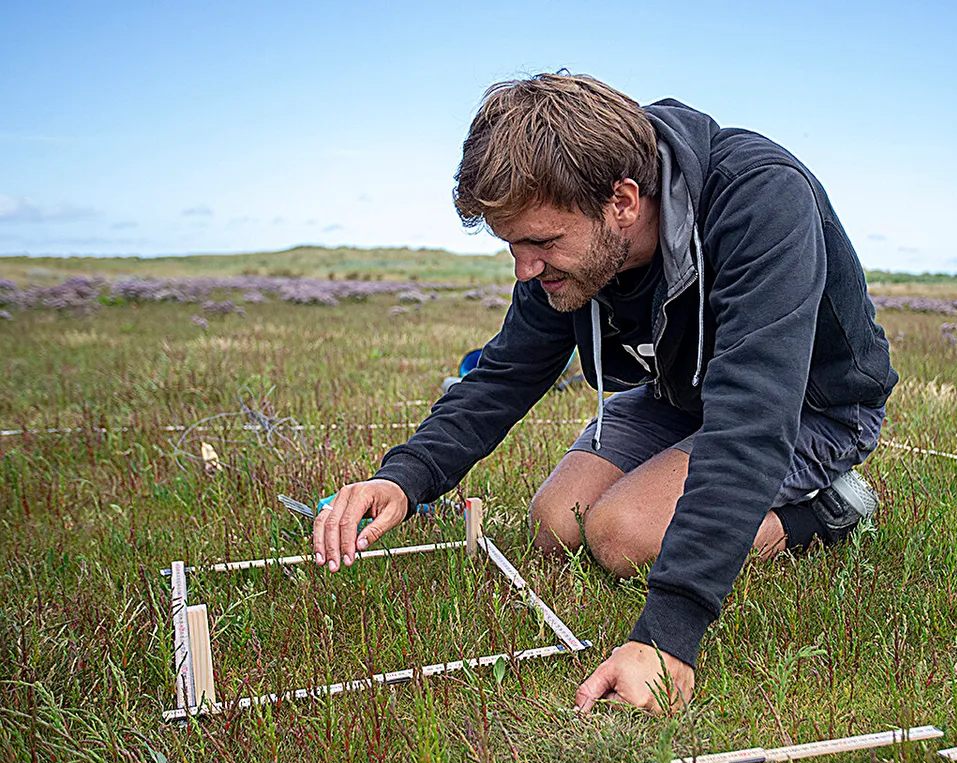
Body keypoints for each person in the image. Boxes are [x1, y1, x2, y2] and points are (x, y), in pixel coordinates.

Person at [312, 72, 897, 715]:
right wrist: (406, 478)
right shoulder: (573, 229)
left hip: (809, 405)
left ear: (622, 201)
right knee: (555, 525)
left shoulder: (761, 200)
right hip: (678, 393)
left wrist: (667, 636)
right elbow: (507, 372)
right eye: (513, 246)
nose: (525, 269)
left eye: (540, 243)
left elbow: (753, 414)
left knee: (620, 535)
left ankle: (828, 512)